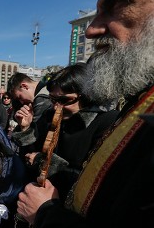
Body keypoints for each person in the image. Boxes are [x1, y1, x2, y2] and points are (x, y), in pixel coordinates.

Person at [17, 0, 154, 228]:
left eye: (118, 3)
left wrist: (47, 214)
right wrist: (27, 133)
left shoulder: (103, 121)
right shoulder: (135, 109)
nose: (92, 29)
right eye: (53, 100)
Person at [12, 63, 119, 199]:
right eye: (53, 99)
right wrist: (26, 128)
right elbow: (31, 153)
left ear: (86, 95)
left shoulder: (106, 121)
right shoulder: (49, 116)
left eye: (64, 100)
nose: (57, 106)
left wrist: (43, 162)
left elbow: (93, 178)